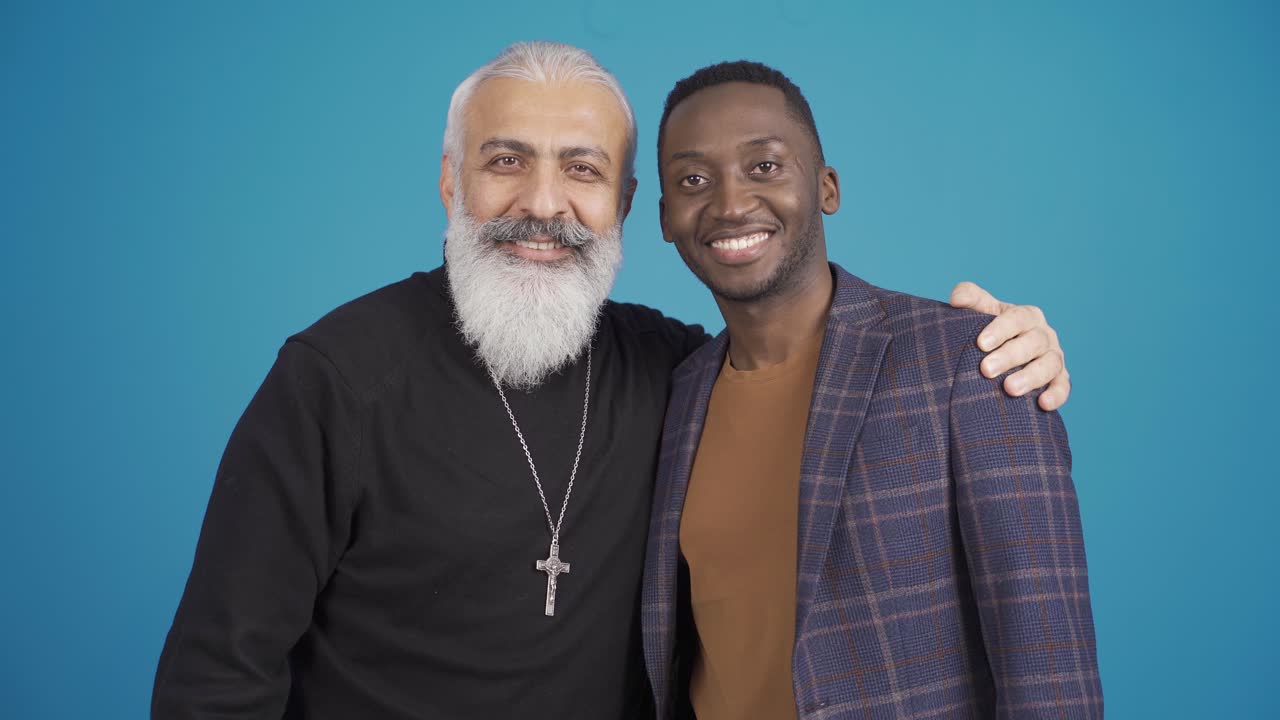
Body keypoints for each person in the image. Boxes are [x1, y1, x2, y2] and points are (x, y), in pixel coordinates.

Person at [153, 43, 1077, 719]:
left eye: (583, 170)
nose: (545, 205)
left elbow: (1048, 671)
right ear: (449, 181)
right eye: (505, 160)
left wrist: (1009, 344)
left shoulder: (669, 367)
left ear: (628, 206)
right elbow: (216, 679)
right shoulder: (335, 378)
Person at [641, 61, 1101, 720]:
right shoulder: (679, 393)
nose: (730, 202)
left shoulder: (971, 362)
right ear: (664, 217)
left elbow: (1052, 682)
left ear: (827, 186)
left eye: (765, 166)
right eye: (693, 180)